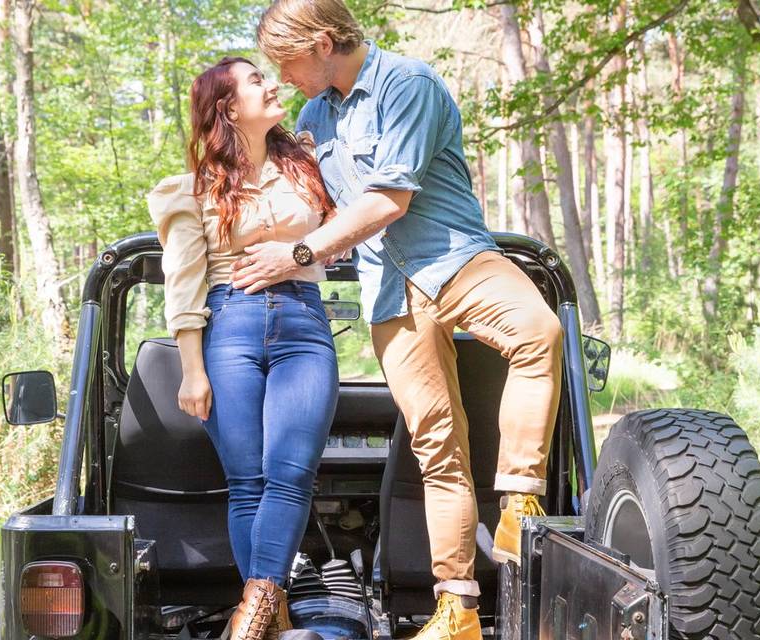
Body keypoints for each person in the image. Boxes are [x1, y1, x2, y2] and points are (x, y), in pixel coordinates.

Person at [233, 1, 564, 636]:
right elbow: (297, 193)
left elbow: (390, 197)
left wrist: (300, 253)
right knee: (438, 449)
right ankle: (456, 609)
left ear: (323, 42)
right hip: (389, 294)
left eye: (287, 60)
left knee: (538, 331)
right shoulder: (313, 115)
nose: (282, 74)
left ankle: (520, 496)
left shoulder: (406, 83)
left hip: (457, 259)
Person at [147, 57, 339, 640]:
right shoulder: (196, 188)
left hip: (305, 324)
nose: (272, 83)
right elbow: (183, 280)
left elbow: (345, 230)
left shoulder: (309, 161)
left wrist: (311, 250)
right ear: (229, 107)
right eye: (257, 80)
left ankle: (252, 613)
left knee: (290, 472)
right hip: (227, 327)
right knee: (248, 481)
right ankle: (266, 611)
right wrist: (191, 371)